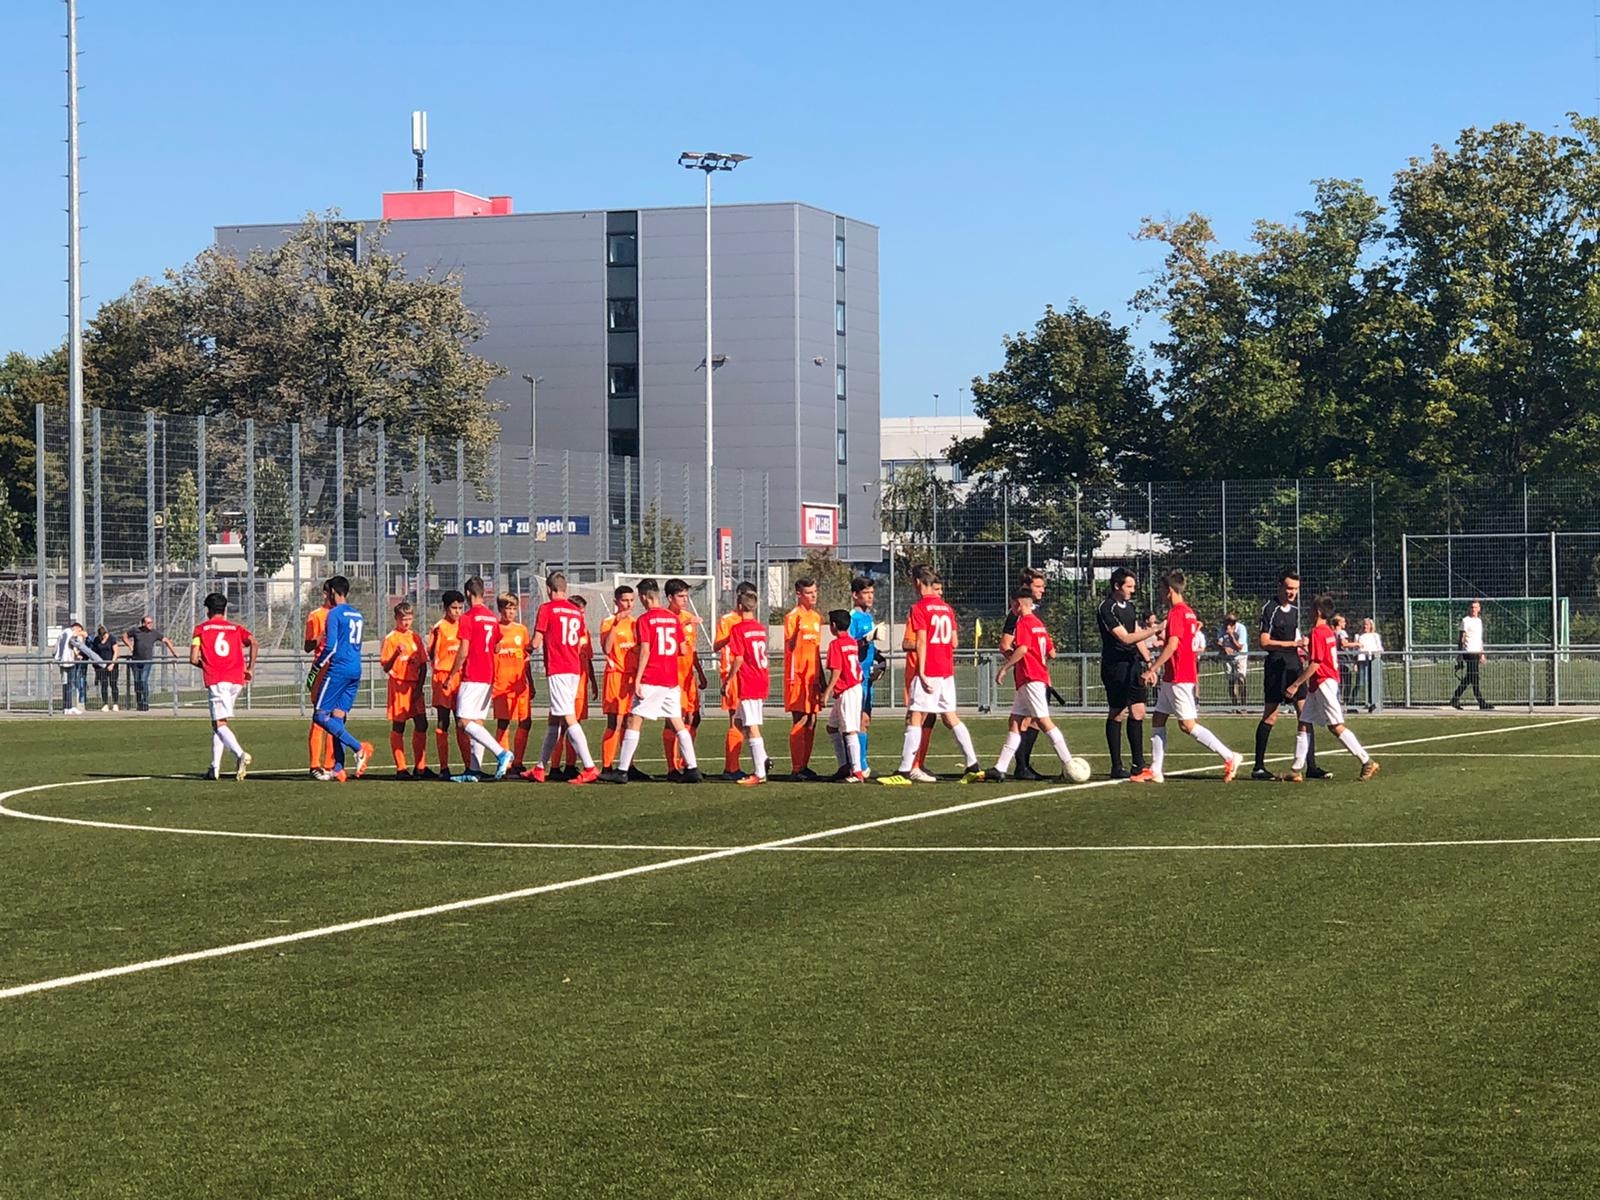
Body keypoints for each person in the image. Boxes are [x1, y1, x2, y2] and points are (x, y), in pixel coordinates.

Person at [1133, 570, 1244, 784]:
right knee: (1158, 718)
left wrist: (1152, 668)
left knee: (1187, 725)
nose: (1160, 594)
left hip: (1179, 676)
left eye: (1161, 590)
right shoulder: (1189, 612)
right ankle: (1155, 770)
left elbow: (1173, 645)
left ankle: (1230, 756)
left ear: (1169, 590)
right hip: (1175, 675)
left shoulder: (1176, 612)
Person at [878, 566, 982, 786]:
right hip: (946, 671)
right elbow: (954, 642)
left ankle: (904, 771)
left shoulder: (919, 608)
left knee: (915, 717)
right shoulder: (947, 609)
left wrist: (923, 672)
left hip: (930, 670)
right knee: (951, 717)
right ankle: (973, 765)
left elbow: (922, 642)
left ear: (918, 583)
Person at [603, 577, 702, 784]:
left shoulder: (645, 620)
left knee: (634, 720)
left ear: (644, 597)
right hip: (671, 679)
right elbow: (683, 650)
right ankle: (692, 768)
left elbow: (646, 650)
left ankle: (622, 770)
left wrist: (638, 678)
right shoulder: (673, 619)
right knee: (677, 722)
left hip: (652, 677)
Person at [1282, 594, 1380, 782]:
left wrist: (1295, 684)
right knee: (1304, 721)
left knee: (1335, 726)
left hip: (1323, 681)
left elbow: (1316, 663)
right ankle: (1296, 769)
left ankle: (1366, 760)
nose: (1308, 612)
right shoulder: (1327, 631)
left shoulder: (1318, 632)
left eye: (1311, 609)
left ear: (1318, 611)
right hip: (1321, 683)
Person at [987, 587, 1075, 781]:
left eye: (1012, 605)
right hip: (1032, 678)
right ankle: (1000, 767)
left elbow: (1022, 649)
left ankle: (1070, 764)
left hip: (1030, 677)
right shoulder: (1039, 624)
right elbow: (1051, 653)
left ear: (1018, 604)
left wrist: (1005, 668)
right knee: (1015, 721)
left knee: (1043, 721)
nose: (1011, 608)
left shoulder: (1024, 622)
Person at [525, 572, 599, 784]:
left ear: (549, 589)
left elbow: (536, 642)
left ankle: (590, 767)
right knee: (554, 719)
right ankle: (540, 768)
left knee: (568, 716)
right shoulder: (575, 611)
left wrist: (525, 649)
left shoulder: (547, 608)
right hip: (573, 667)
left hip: (558, 668)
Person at [1253, 569, 1325, 781]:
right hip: (1276, 666)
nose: (1292, 592)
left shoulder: (1295, 610)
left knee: (1305, 714)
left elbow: (1298, 640)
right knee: (1271, 714)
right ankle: (1258, 767)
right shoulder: (1270, 608)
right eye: (1289, 588)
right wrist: (1292, 644)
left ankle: (1311, 766)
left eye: (1295, 589)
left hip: (1294, 665)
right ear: (1280, 586)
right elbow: (1264, 642)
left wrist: (1304, 647)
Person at [443, 576, 517, 781]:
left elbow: (463, 651)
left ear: (468, 593)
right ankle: (474, 770)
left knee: (463, 721)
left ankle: (502, 753)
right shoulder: (492, 618)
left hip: (473, 674)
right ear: (483, 593)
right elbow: (497, 646)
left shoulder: (467, 617)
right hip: (488, 674)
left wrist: (451, 675)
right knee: (476, 722)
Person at [309, 575, 374, 782]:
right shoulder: (357, 615)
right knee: (337, 718)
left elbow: (331, 646)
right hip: (355, 669)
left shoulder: (334, 613)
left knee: (320, 716)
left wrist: (316, 667)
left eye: (328, 592)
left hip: (338, 670)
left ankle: (359, 748)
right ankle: (338, 768)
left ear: (333, 592)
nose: (326, 597)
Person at [190, 592, 257, 781]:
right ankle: (215, 767)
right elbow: (253, 642)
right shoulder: (236, 628)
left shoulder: (200, 630)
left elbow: (193, 658)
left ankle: (240, 754)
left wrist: (208, 665)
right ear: (225, 609)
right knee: (220, 723)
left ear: (207, 610)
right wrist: (250, 668)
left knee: (219, 724)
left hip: (218, 679)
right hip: (236, 679)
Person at [1098, 568, 1153, 780]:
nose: (1132, 590)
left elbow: (1136, 634)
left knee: (1139, 711)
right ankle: (1116, 765)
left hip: (1133, 665)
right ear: (1117, 586)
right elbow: (1125, 638)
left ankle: (1138, 764)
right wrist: (1155, 629)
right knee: (1117, 712)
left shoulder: (1130, 607)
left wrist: (1149, 663)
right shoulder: (1107, 608)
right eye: (1129, 586)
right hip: (1115, 666)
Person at [998, 568, 1048, 779]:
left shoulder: (1035, 612)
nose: (1042, 590)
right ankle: (1021, 766)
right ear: (1027, 587)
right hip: (1028, 675)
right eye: (1038, 586)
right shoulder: (1016, 615)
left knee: (1035, 720)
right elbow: (1005, 644)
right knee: (1025, 719)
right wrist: (1018, 661)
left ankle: (1025, 764)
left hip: (1039, 673)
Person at [726, 589, 773, 787]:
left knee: (752, 727)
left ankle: (759, 772)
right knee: (740, 722)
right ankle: (764, 759)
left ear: (739, 606)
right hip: (761, 677)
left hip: (749, 680)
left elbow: (738, 658)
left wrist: (729, 679)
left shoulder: (738, 629)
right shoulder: (760, 628)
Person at [713, 582, 759, 779]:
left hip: (749, 675)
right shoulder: (727, 620)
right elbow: (716, 646)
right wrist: (731, 636)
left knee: (745, 722)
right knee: (736, 719)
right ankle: (731, 767)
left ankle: (738, 766)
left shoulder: (752, 621)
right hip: (732, 673)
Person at [380, 601, 430, 779]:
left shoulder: (415, 637)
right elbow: (386, 667)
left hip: (414, 686)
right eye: (403, 619)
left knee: (422, 723)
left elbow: (423, 664)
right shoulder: (391, 638)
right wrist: (396, 654)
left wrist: (420, 686)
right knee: (399, 725)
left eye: (409, 619)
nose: (406, 622)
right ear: (396, 619)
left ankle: (420, 767)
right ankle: (401, 768)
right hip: (399, 686)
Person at [551, 594, 600, 778]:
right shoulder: (565, 631)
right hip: (567, 681)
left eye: (583, 612)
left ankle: (570, 765)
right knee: (562, 725)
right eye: (579, 611)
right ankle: (555, 766)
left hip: (580, 683)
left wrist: (593, 681)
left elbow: (588, 658)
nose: (582, 615)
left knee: (574, 723)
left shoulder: (584, 631)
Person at [783, 577, 826, 780]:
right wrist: (796, 633)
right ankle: (796, 768)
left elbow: (816, 649)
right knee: (800, 718)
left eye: (815, 591)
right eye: (809, 592)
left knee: (812, 720)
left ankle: (805, 765)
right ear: (799, 594)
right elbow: (790, 647)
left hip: (813, 676)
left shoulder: (816, 617)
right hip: (797, 676)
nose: (813, 595)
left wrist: (822, 676)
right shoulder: (792, 617)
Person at [664, 589, 708, 781]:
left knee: (694, 718)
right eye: (680, 596)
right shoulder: (666, 618)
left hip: (689, 676)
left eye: (686, 596)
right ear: (670, 598)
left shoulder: (689, 617)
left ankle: (686, 762)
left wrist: (700, 672)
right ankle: (672, 768)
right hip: (673, 677)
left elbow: (692, 648)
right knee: (674, 720)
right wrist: (683, 624)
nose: (685, 599)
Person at [427, 590, 472, 778]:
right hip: (443, 677)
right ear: (446, 608)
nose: (457, 611)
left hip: (461, 677)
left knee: (462, 722)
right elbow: (431, 654)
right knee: (443, 721)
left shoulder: (464, 624)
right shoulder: (440, 627)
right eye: (454, 608)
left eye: (460, 608)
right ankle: (444, 768)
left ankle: (469, 766)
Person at [492, 593, 535, 773]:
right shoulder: (494, 629)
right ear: (500, 609)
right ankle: (506, 763)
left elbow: (526, 659)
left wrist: (530, 682)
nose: (510, 612)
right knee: (504, 723)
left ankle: (518, 762)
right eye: (507, 608)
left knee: (525, 722)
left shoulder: (522, 630)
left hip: (520, 685)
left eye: (513, 609)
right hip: (501, 685)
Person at [823, 609, 868, 782]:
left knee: (850, 730)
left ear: (833, 625)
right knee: (832, 727)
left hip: (847, 689)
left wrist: (827, 691)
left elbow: (837, 670)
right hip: (853, 687)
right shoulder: (851, 642)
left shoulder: (836, 644)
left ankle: (857, 771)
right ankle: (844, 766)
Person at [600, 585, 640, 774]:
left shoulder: (636, 623)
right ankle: (607, 766)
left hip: (632, 677)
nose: (629, 604)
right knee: (614, 721)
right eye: (625, 600)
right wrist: (616, 624)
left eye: (631, 600)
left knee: (630, 721)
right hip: (615, 675)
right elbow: (607, 648)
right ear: (616, 602)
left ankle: (628, 765)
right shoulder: (608, 622)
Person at [848, 577, 883, 776]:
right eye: (866, 593)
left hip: (868, 676)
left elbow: (869, 646)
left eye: (872, 593)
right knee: (857, 721)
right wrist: (866, 639)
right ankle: (858, 765)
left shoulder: (868, 617)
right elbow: (848, 645)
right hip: (856, 677)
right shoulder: (852, 617)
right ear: (855, 595)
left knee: (866, 720)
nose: (870, 597)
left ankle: (862, 762)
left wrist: (879, 659)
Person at [303, 588, 337, 777]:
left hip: (338, 669)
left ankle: (330, 764)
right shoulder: (316, 615)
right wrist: (321, 636)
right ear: (326, 594)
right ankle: (315, 765)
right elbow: (307, 646)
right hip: (322, 669)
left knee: (335, 718)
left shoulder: (342, 614)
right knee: (319, 716)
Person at [122, 615, 176, 712]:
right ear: (143, 624)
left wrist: (174, 652)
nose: (151, 624)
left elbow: (166, 640)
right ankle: (139, 703)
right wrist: (130, 645)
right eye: (148, 623)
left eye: (151, 622)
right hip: (136, 661)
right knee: (137, 682)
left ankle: (145, 703)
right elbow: (124, 636)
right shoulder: (136, 630)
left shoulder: (154, 633)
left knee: (143, 680)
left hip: (147, 661)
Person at [1451, 600, 1494, 710]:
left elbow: (1479, 639)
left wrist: (1482, 653)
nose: (1473, 609)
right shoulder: (1466, 621)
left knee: (1471, 677)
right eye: (1472, 607)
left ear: (1479, 609)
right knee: (1473, 676)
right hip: (1468, 651)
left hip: (1476, 651)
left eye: (1476, 607)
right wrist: (1460, 654)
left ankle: (1455, 698)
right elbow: (1461, 638)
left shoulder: (1479, 621)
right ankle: (1480, 701)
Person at [54, 621, 102, 715]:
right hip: (68, 661)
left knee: (66, 684)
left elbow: (68, 646)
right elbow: (73, 638)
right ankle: (69, 707)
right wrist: (82, 633)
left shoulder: (63, 633)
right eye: (79, 630)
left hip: (62, 660)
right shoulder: (69, 632)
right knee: (69, 684)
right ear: (76, 628)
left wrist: (76, 654)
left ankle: (67, 707)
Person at [1217, 611, 1249, 712]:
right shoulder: (1222, 629)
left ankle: (1243, 705)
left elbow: (1239, 647)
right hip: (1228, 658)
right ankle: (1234, 705)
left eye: (1229, 623)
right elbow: (1219, 642)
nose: (1226, 626)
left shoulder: (1241, 629)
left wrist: (1231, 635)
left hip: (1240, 657)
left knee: (1241, 679)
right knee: (1231, 681)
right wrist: (1224, 648)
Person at [89, 624, 122, 711]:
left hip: (112, 665)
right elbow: (94, 653)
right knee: (104, 685)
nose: (102, 638)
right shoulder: (96, 640)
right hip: (101, 666)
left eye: (103, 636)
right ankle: (105, 703)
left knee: (113, 684)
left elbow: (116, 652)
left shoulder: (112, 639)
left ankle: (115, 703)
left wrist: (112, 664)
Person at [1356, 617, 1384, 712]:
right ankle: (1353, 702)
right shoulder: (1359, 636)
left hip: (1373, 660)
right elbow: (1357, 650)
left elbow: (1379, 648)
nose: (1365, 626)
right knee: (1360, 682)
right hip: (1362, 661)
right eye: (1364, 624)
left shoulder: (1375, 636)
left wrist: (1377, 654)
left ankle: (1372, 703)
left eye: (1367, 624)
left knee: (1372, 682)